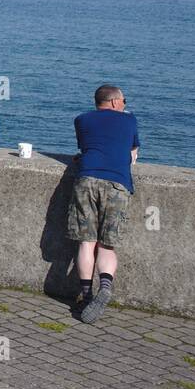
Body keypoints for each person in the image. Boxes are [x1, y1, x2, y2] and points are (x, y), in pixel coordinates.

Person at [70, 84, 139, 324]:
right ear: (113, 102)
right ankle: (105, 286)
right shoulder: (129, 121)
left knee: (86, 243)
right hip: (117, 184)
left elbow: (87, 148)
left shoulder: (81, 120)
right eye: (124, 100)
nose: (125, 104)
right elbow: (132, 153)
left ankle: (87, 296)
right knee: (107, 246)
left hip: (86, 180)